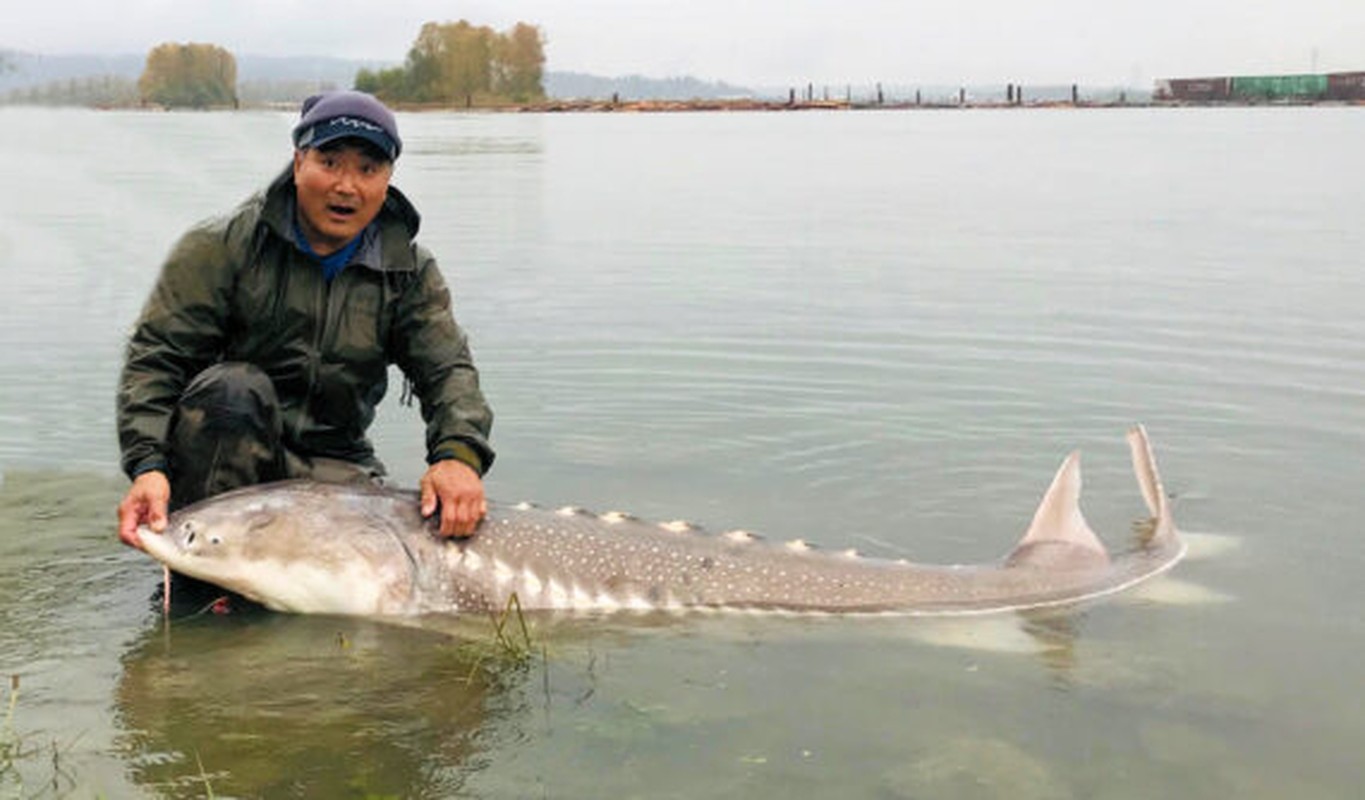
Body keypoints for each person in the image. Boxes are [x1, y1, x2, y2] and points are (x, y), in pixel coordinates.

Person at [116, 90, 494, 549]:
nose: (347, 186)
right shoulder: (221, 246)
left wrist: (459, 455)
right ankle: (204, 584)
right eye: (330, 162)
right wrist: (147, 466)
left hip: (336, 461)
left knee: (423, 547)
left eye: (367, 169)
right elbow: (156, 361)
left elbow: (448, 371)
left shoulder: (409, 272)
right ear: (299, 164)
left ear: (387, 179)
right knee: (234, 389)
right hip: (225, 457)